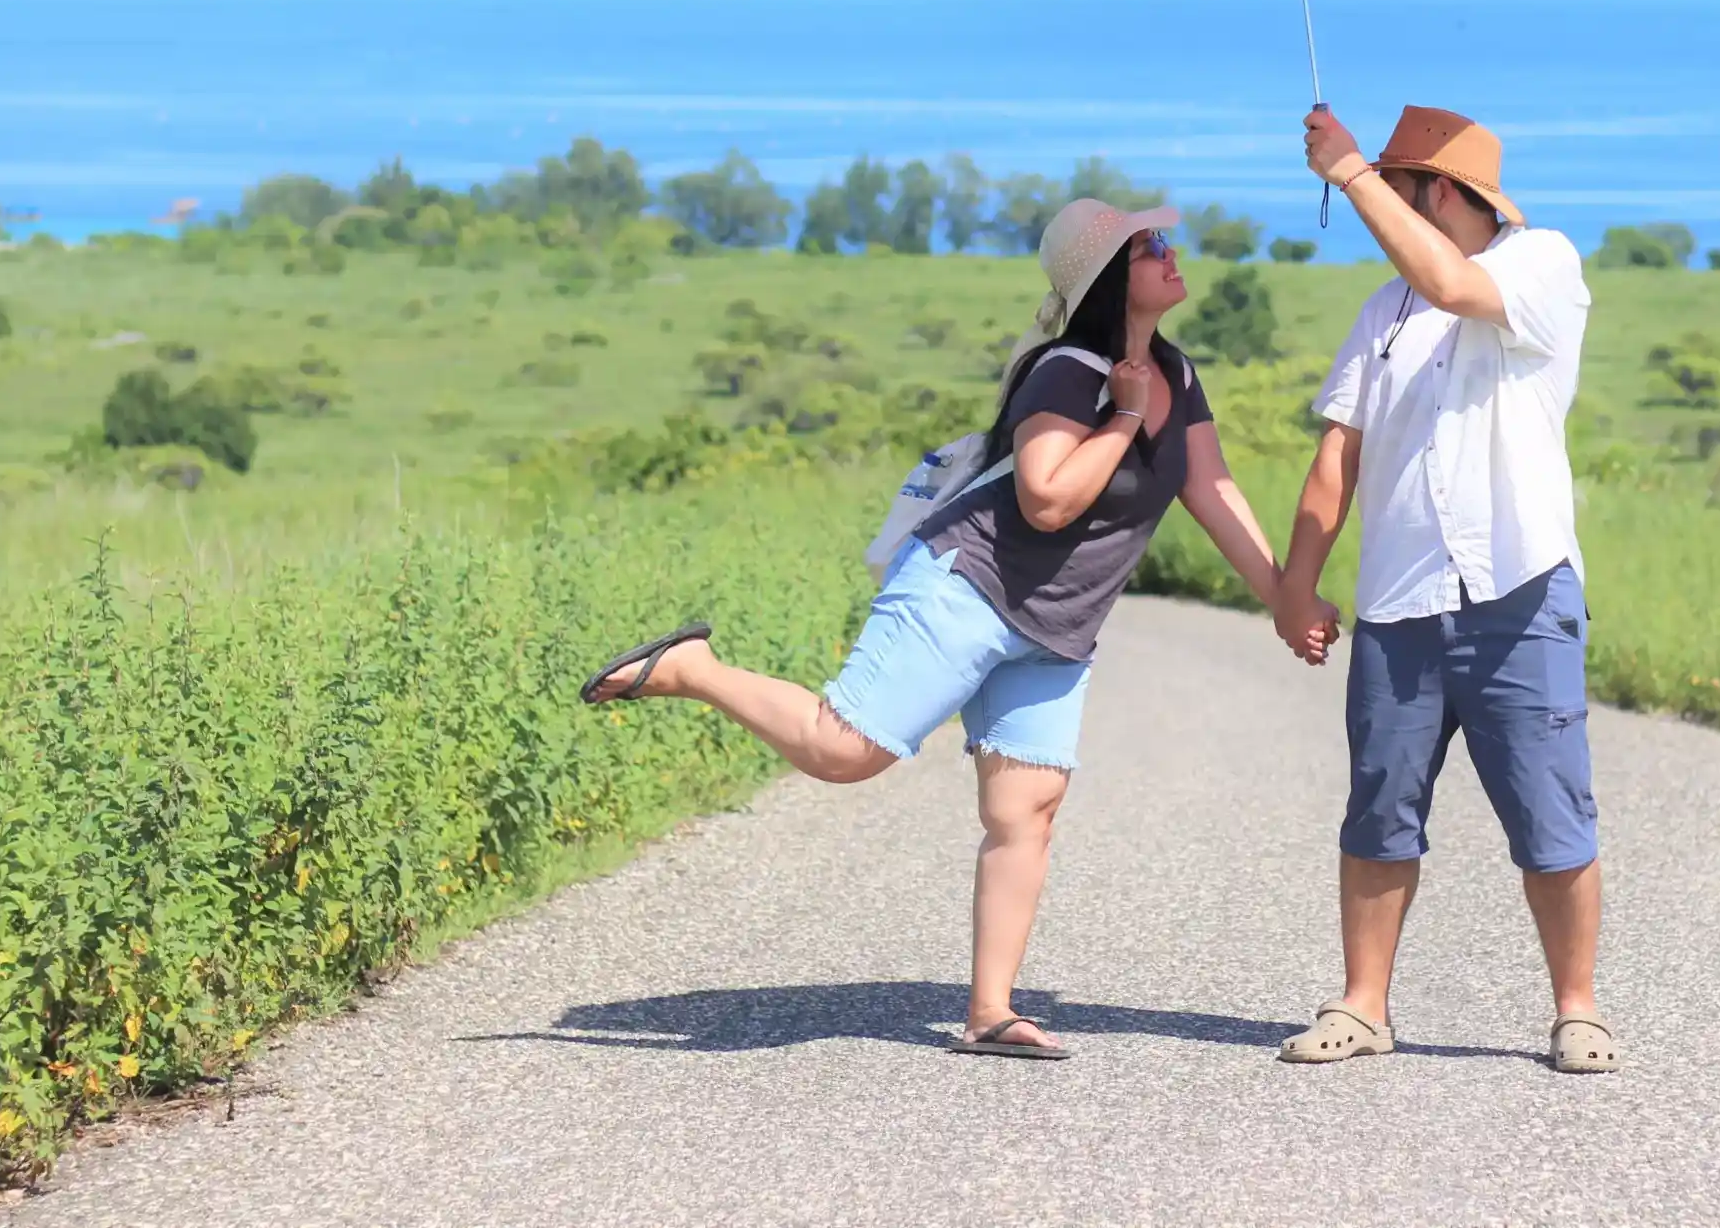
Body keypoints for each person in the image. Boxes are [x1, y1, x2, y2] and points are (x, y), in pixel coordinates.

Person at [582, 197, 1316, 1060]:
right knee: (843, 749)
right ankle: (694, 666)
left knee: (1025, 808)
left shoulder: (1177, 375)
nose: (1169, 249)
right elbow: (1047, 499)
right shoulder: (1067, 372)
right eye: (1148, 244)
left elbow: (1212, 490)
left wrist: (1284, 598)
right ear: (1108, 278)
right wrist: (1122, 417)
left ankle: (989, 1010)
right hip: (969, 587)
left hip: (1057, 626)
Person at [1271, 104, 1620, 1074]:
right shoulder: (1381, 312)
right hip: (1399, 600)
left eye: (1395, 185)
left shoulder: (1539, 261)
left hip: (1520, 590)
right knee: (1378, 809)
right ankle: (1362, 1006)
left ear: (1432, 191)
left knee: (1551, 812)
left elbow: (1454, 284)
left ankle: (1578, 1011)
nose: (1380, 203)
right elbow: (1336, 454)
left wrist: (1349, 172)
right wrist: (1296, 585)